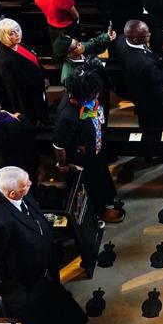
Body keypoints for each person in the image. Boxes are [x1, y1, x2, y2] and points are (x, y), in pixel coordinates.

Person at [0, 166, 94, 324]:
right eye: (26, 185)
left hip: (45, 265)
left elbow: (33, 215)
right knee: (49, 322)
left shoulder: (16, 193)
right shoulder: (0, 223)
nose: (31, 185)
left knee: (59, 303)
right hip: (29, 280)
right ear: (12, 193)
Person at [52, 71, 122, 223]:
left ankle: (106, 200)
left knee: (101, 177)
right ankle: (99, 212)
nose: (96, 96)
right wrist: (63, 165)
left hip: (95, 150)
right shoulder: (68, 116)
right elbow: (58, 144)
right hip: (82, 160)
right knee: (92, 185)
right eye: (92, 95)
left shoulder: (84, 101)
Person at [115, 19, 163, 129]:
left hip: (137, 89)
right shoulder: (143, 63)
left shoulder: (121, 40)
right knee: (158, 126)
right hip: (152, 99)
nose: (149, 35)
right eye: (146, 35)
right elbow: (160, 77)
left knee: (145, 121)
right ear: (135, 39)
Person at [0, 19, 47, 125]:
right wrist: (40, 84)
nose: (17, 34)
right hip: (27, 97)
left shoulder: (18, 44)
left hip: (37, 88)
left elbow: (34, 60)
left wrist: (44, 77)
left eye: (17, 30)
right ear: (4, 36)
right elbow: (20, 86)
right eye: (11, 33)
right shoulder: (5, 60)